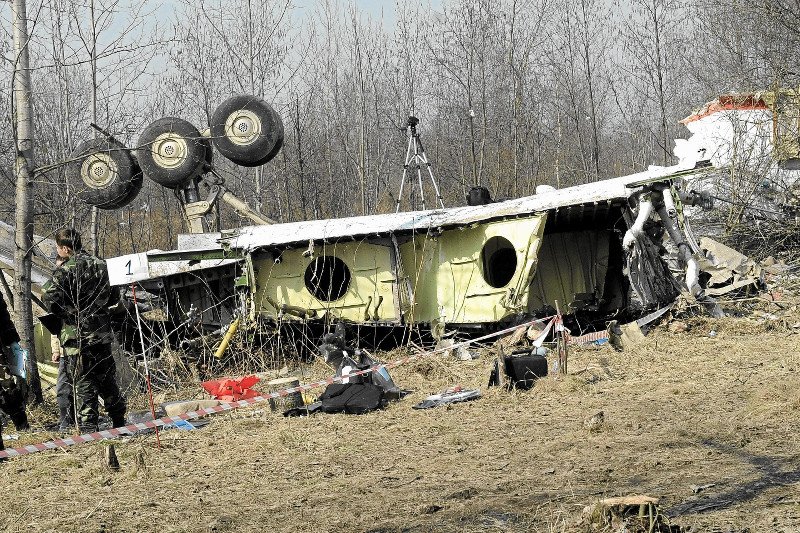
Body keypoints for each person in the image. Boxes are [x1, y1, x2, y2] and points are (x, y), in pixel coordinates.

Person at [42, 228, 126, 432]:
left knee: (84, 381)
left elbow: (47, 296)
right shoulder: (102, 264)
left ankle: (89, 428)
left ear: (65, 248)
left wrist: (68, 313)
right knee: (107, 379)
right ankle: (119, 420)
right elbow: (115, 297)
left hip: (77, 336)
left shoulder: (66, 269)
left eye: (58, 248)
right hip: (102, 333)